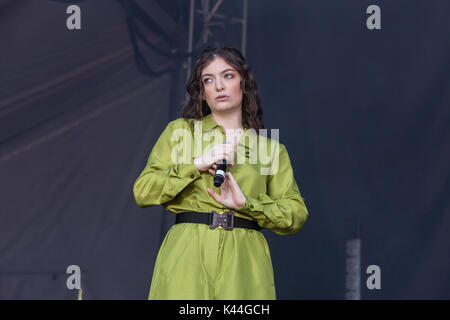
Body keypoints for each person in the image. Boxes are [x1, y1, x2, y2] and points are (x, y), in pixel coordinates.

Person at [133, 46, 308, 300]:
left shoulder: (270, 148)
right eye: (208, 79)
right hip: (187, 254)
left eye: (228, 75)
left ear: (244, 83)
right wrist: (196, 164)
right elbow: (143, 190)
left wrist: (247, 204)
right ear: (202, 93)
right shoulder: (181, 132)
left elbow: (296, 213)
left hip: (244, 260)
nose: (218, 86)